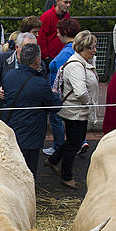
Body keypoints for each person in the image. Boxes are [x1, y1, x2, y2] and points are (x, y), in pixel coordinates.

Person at [47, 30, 99, 188]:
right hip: (75, 111)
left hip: (76, 110)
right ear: (83, 48)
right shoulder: (77, 66)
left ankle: (53, 160)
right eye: (92, 47)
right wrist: (89, 105)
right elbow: (81, 92)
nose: (95, 50)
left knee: (72, 141)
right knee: (75, 144)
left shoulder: (81, 62)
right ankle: (66, 175)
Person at [0, 43, 59, 176]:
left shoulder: (9, 77)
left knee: (11, 169)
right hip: (31, 136)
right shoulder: (40, 84)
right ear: (38, 60)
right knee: (28, 171)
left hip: (12, 131)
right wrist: (54, 93)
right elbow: (55, 106)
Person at [44, 17, 82, 154]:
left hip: (60, 91)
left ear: (64, 32)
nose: (57, 35)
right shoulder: (77, 48)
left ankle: (58, 146)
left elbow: (55, 67)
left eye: (59, 32)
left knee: (56, 118)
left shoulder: (66, 52)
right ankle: (81, 142)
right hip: (71, 90)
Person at [0, 32, 37, 111]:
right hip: (4, 108)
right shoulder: (1, 59)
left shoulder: (39, 64)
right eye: (26, 47)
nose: (30, 51)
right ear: (17, 47)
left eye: (33, 48)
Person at [37, 0, 72, 66]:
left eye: (70, 2)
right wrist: (45, 56)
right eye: (65, 2)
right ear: (58, 1)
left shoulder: (67, 16)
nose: (68, 5)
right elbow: (41, 37)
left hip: (62, 54)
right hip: (50, 57)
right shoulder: (46, 16)